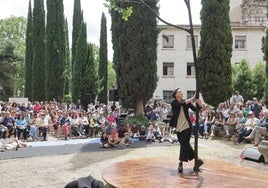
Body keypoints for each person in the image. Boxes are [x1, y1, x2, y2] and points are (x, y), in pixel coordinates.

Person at [169, 88, 203, 173]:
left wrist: (199, 104)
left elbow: (196, 110)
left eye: (181, 91)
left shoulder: (187, 102)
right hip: (178, 127)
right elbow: (180, 104)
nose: (181, 93)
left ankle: (180, 163)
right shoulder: (174, 103)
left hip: (187, 126)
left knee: (184, 145)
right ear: (176, 94)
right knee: (185, 145)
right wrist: (193, 98)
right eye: (179, 92)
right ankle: (197, 159)